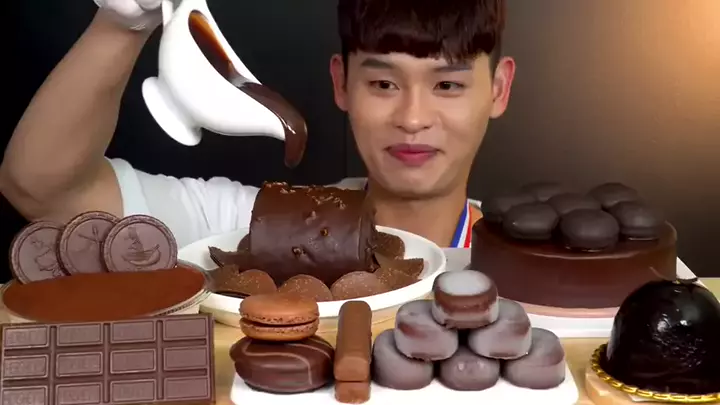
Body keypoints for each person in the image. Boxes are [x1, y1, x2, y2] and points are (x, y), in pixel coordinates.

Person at [0, 0, 515, 249]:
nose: (413, 118)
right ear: (341, 83)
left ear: (498, 89)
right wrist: (122, 23)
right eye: (383, 83)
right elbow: (44, 189)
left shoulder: (535, 260)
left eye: (448, 86)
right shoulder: (250, 226)